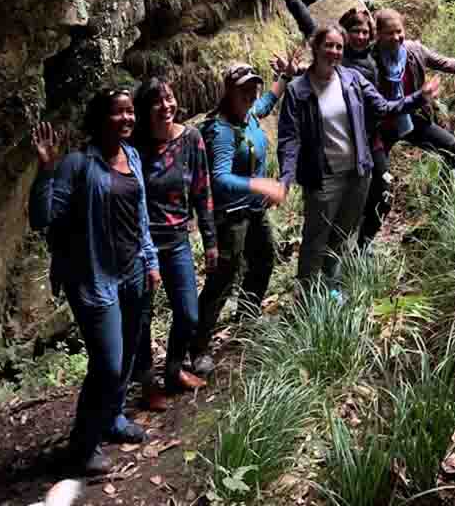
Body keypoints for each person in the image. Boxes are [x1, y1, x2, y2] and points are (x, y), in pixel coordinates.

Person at [29, 89, 160, 477]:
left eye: (130, 111)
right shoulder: (76, 164)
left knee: (128, 353)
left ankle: (114, 418)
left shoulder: (132, 156)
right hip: (93, 276)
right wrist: (45, 171)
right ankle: (82, 447)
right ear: (101, 117)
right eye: (118, 112)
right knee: (107, 362)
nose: (127, 118)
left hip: (133, 270)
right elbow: (43, 218)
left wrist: (151, 260)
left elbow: (140, 215)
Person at [277, 23, 441, 289]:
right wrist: (285, 178)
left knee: (342, 235)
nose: (333, 51)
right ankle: (306, 297)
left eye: (339, 46)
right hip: (322, 177)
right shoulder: (298, 89)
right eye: (328, 45)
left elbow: (385, 107)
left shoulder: (351, 79)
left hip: (357, 174)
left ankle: (332, 291)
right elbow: (288, 138)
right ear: (316, 47)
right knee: (315, 240)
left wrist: (418, 98)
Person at [268, 0, 391, 250]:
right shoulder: (336, 53)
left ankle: (362, 244)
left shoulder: (373, 58)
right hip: (338, 142)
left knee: (382, 190)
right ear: (343, 34)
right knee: (351, 195)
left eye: (365, 32)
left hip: (369, 140)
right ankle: (343, 247)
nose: (360, 36)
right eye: (355, 31)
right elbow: (304, 19)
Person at [190, 51, 299, 375]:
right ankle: (197, 349)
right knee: (222, 279)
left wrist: (285, 77)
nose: (251, 94)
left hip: (252, 212)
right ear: (229, 91)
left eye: (253, 87)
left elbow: (266, 103)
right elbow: (220, 179)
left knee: (265, 257)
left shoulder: (249, 113)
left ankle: (247, 318)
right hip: (230, 217)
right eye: (243, 89)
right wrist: (262, 185)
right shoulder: (221, 131)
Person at [132, 77, 217, 412]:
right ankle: (147, 383)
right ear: (144, 111)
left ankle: (173, 368)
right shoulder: (134, 149)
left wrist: (210, 240)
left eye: (169, 99)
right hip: (141, 246)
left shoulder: (191, 139)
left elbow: (202, 192)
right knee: (141, 317)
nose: (166, 107)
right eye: (157, 102)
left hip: (178, 240)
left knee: (188, 312)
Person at [373, 8, 455, 174]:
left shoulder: (414, 50)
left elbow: (446, 63)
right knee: (378, 178)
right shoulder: (370, 61)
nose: (397, 37)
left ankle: (449, 191)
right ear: (378, 35)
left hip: (413, 118)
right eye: (389, 33)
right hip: (383, 125)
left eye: (399, 31)